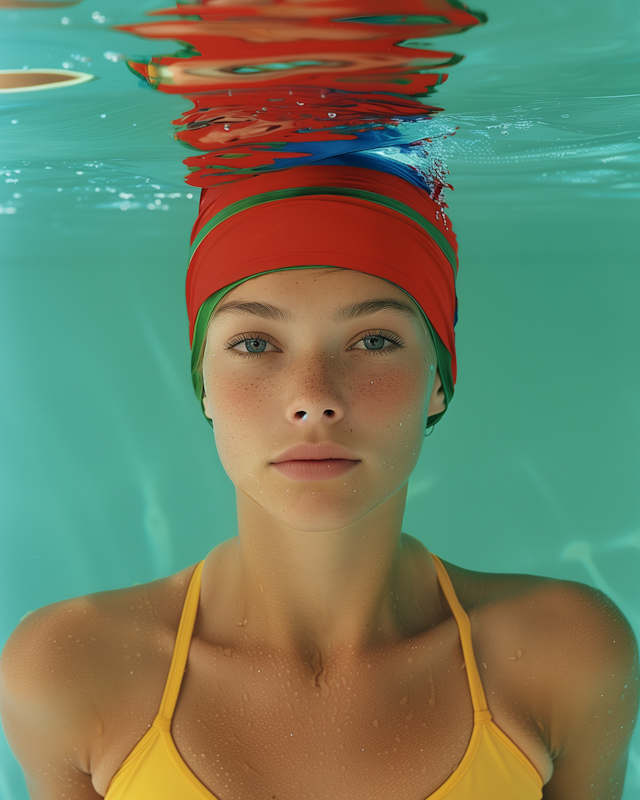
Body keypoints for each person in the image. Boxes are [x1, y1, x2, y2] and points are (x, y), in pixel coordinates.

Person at [0, 157, 638, 800]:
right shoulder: (67, 667)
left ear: (438, 382)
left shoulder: (570, 652)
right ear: (205, 388)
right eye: (254, 343)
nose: (314, 400)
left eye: (374, 341)